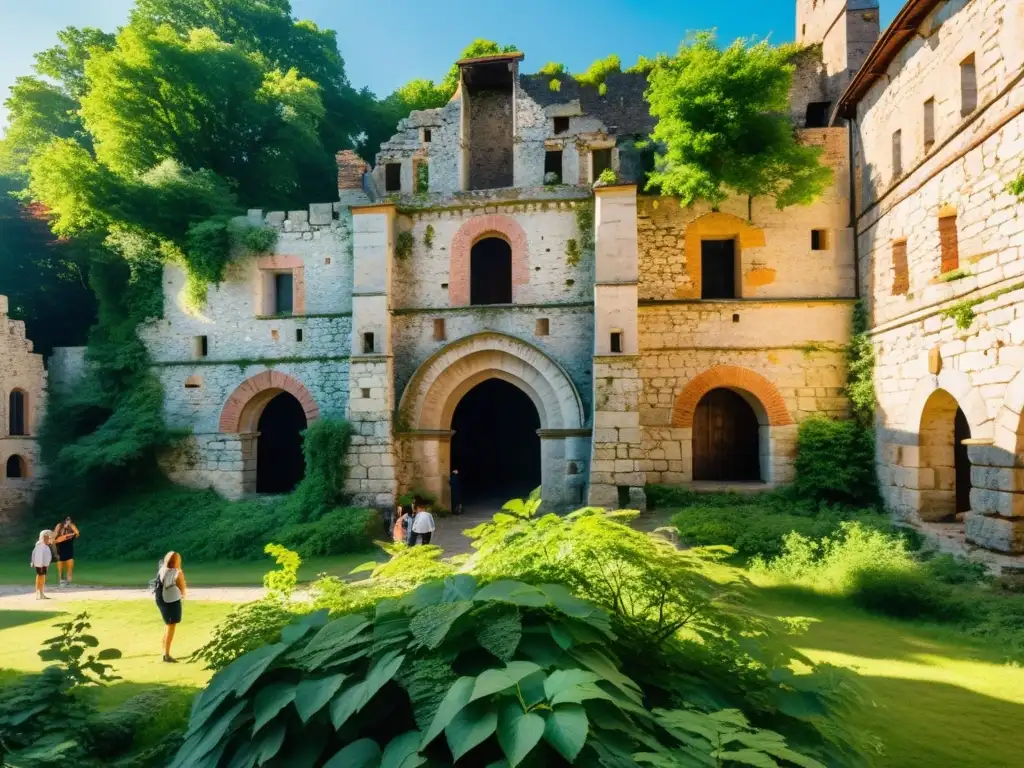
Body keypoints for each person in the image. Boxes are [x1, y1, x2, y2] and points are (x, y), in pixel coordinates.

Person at [154, 551, 186, 663]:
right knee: (171, 626)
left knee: (168, 625)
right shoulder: (177, 573)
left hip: (160, 599)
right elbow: (182, 588)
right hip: (170, 600)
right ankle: (166, 654)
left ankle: (164, 651)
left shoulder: (162, 569)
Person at [53, 516, 80, 586]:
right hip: (60, 546)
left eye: (70, 520)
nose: (69, 521)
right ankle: (61, 579)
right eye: (67, 519)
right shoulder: (59, 525)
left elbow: (77, 534)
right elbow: (55, 535)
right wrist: (64, 528)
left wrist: (73, 532)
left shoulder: (72, 526)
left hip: (69, 546)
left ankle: (69, 580)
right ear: (64, 520)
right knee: (60, 563)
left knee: (70, 563)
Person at [30, 530, 53, 600]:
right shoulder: (40, 546)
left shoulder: (45, 546)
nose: (48, 539)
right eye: (46, 538)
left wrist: (46, 564)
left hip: (44, 565)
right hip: (40, 565)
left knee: (42, 578)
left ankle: (41, 593)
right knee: (40, 577)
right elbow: (38, 557)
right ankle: (38, 593)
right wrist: (41, 566)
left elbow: (47, 556)